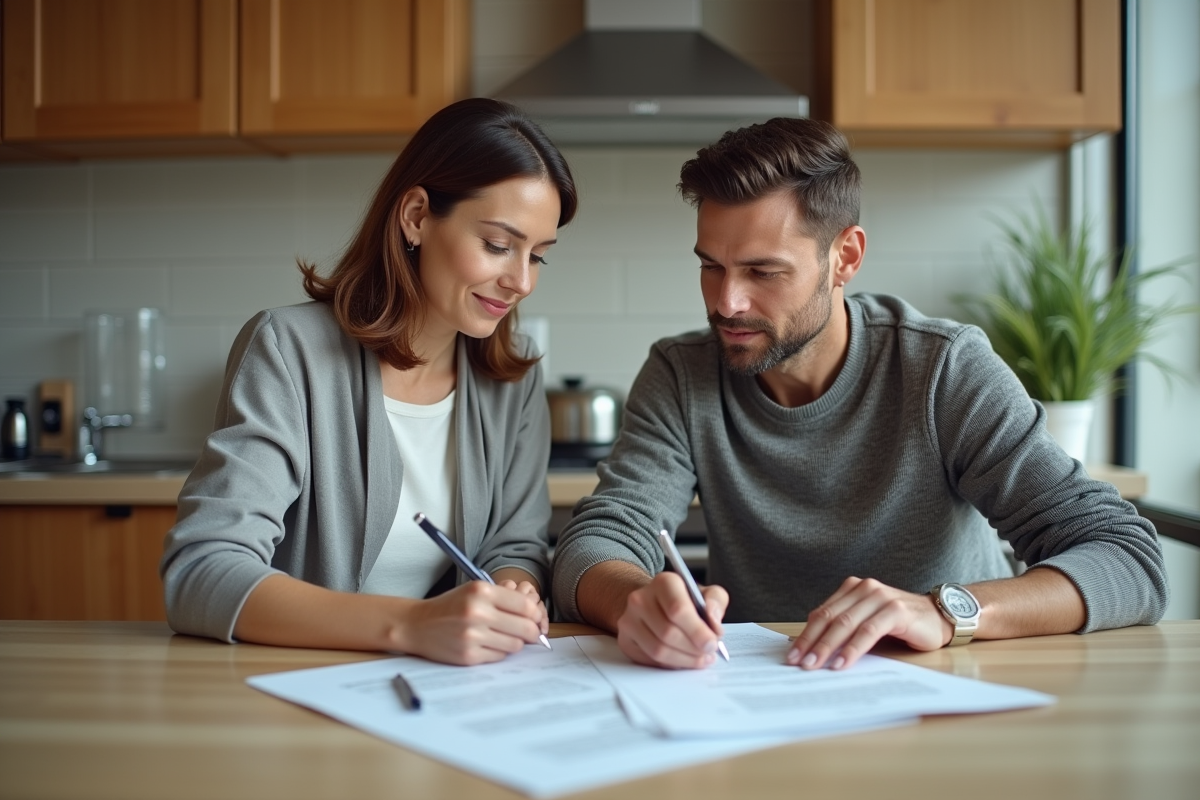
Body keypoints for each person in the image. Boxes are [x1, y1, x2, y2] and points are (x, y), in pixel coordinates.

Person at [551, 118, 1168, 671]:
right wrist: (638, 601)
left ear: (844, 257)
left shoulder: (941, 368)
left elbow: (1126, 556)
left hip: (952, 684)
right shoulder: (682, 373)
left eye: (763, 272)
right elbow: (598, 541)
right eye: (711, 265)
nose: (726, 302)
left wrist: (947, 612)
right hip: (768, 687)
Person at [162, 98, 577, 665]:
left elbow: (514, 543)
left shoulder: (512, 376)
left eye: (539, 257)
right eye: (499, 246)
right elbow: (201, 573)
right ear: (415, 217)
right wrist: (413, 625)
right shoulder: (288, 349)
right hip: (289, 686)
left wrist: (512, 589)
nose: (521, 281)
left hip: (441, 690)